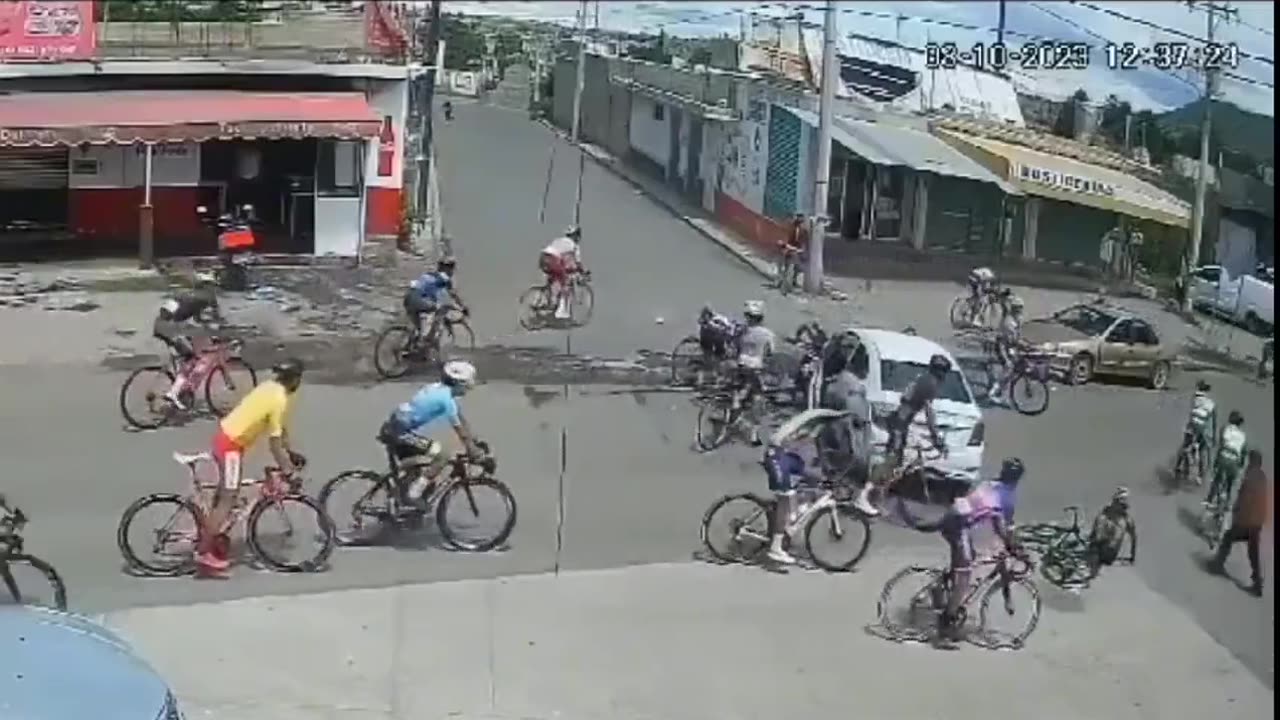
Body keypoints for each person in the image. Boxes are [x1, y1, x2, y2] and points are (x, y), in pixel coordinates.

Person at [197, 359, 307, 577]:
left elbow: (280, 431)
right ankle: (203, 553)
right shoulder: (279, 399)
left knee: (224, 496)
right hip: (230, 446)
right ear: (294, 379)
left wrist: (290, 452)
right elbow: (274, 444)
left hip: (227, 438)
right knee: (229, 499)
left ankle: (214, 535)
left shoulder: (270, 388)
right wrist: (287, 471)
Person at [925, 457, 1024, 642]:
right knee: (964, 575)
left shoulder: (991, 483)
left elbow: (992, 516)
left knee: (969, 556)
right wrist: (1014, 546)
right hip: (958, 524)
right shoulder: (1007, 496)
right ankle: (944, 627)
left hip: (954, 515)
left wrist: (1005, 541)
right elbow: (1004, 526)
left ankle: (941, 587)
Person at [853, 354, 952, 516]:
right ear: (941, 372)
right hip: (899, 424)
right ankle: (862, 496)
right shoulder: (931, 384)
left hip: (900, 421)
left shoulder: (923, 378)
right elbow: (929, 413)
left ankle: (877, 500)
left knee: (895, 464)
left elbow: (907, 399)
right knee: (890, 462)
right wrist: (936, 438)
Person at [377, 360, 483, 510]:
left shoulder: (439, 389)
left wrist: (474, 441)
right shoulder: (446, 400)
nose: (468, 389)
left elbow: (462, 421)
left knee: (426, 475)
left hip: (395, 425)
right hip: (400, 432)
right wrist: (474, 451)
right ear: (459, 384)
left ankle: (404, 506)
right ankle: (412, 496)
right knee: (443, 455)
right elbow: (460, 431)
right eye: (467, 386)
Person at [761, 407, 849, 565]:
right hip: (777, 454)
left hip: (783, 454)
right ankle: (775, 548)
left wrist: (824, 476)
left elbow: (814, 455)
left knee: (807, 478)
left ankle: (783, 525)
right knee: (785, 499)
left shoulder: (819, 422)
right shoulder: (822, 419)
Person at [153, 273, 222, 410]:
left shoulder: (185, 294)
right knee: (190, 358)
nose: (215, 290)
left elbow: (194, 318)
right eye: (213, 286)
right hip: (172, 329)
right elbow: (213, 319)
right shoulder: (207, 298)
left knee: (184, 355)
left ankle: (180, 390)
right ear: (208, 286)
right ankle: (173, 393)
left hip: (160, 325)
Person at [1209, 450, 1268, 597]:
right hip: (1257, 523)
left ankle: (1218, 564)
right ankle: (1257, 583)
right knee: (1253, 552)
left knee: (1228, 537)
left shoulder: (1249, 476)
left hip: (1246, 520)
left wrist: (1236, 511)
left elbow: (1244, 497)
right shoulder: (1263, 477)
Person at [818, 329, 873, 486]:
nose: (848, 352)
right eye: (846, 347)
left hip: (833, 442)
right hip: (843, 443)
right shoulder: (849, 384)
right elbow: (858, 422)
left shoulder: (833, 382)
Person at [734, 300, 776, 446]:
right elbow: (771, 353)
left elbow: (736, 346)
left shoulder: (742, 331)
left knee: (741, 387)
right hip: (755, 367)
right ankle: (753, 435)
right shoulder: (767, 334)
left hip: (741, 364)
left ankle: (736, 404)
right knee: (758, 399)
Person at [404, 256, 466, 339]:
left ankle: (411, 346)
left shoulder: (429, 274)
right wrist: (462, 308)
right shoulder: (445, 278)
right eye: (452, 268)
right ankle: (430, 337)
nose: (452, 272)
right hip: (419, 300)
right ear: (447, 268)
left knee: (418, 330)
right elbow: (453, 295)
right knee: (440, 309)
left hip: (408, 298)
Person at [1205, 410, 1247, 514]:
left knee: (1217, 480)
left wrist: (1215, 463)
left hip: (1223, 459)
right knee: (1230, 485)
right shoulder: (1243, 436)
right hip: (1234, 464)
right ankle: (1227, 504)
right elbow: (1244, 453)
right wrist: (1240, 467)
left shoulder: (1224, 429)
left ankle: (1209, 500)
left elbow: (1221, 446)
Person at [540, 226, 586, 319]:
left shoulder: (558, 240)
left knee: (554, 279)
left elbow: (562, 259)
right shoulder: (573, 245)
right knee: (565, 282)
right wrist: (583, 271)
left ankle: (548, 301)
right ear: (576, 236)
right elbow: (576, 262)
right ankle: (562, 313)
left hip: (543, 258)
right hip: (553, 260)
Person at [988, 294, 1025, 405]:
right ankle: (994, 392)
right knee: (1008, 369)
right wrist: (1006, 359)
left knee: (1011, 372)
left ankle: (1005, 394)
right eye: (1019, 308)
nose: (1021, 310)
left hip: (1009, 347)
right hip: (1002, 347)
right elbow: (1005, 342)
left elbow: (1018, 336)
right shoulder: (1008, 323)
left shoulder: (1017, 319)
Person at [1089, 487, 1137, 568]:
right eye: (1118, 503)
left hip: (1109, 552)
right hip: (1098, 548)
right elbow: (1096, 528)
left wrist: (1132, 554)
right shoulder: (1105, 514)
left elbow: (1134, 537)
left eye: (1122, 505)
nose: (1120, 507)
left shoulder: (1126, 519)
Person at [1183, 379, 1218, 481]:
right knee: (1203, 451)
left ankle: (1182, 467)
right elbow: (1213, 421)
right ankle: (1201, 475)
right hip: (1202, 429)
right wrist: (1214, 436)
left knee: (1185, 445)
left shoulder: (1195, 398)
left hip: (1192, 425)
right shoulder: (1212, 404)